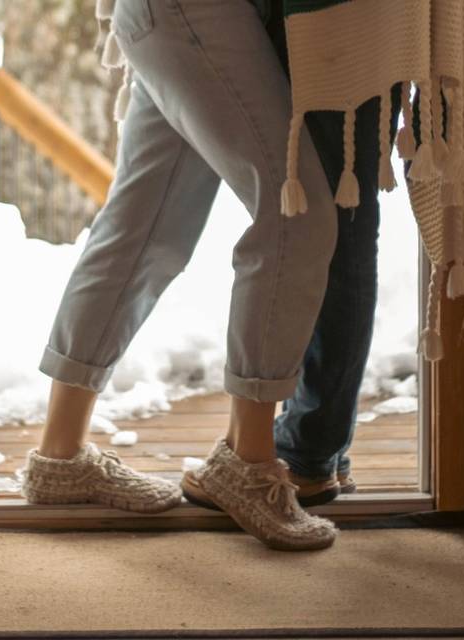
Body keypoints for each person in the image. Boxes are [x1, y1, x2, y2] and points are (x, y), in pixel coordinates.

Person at [21, 0, 391, 552]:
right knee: (298, 215)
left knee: (143, 234)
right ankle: (248, 462)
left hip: (170, 13)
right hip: (198, 12)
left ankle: (60, 456)